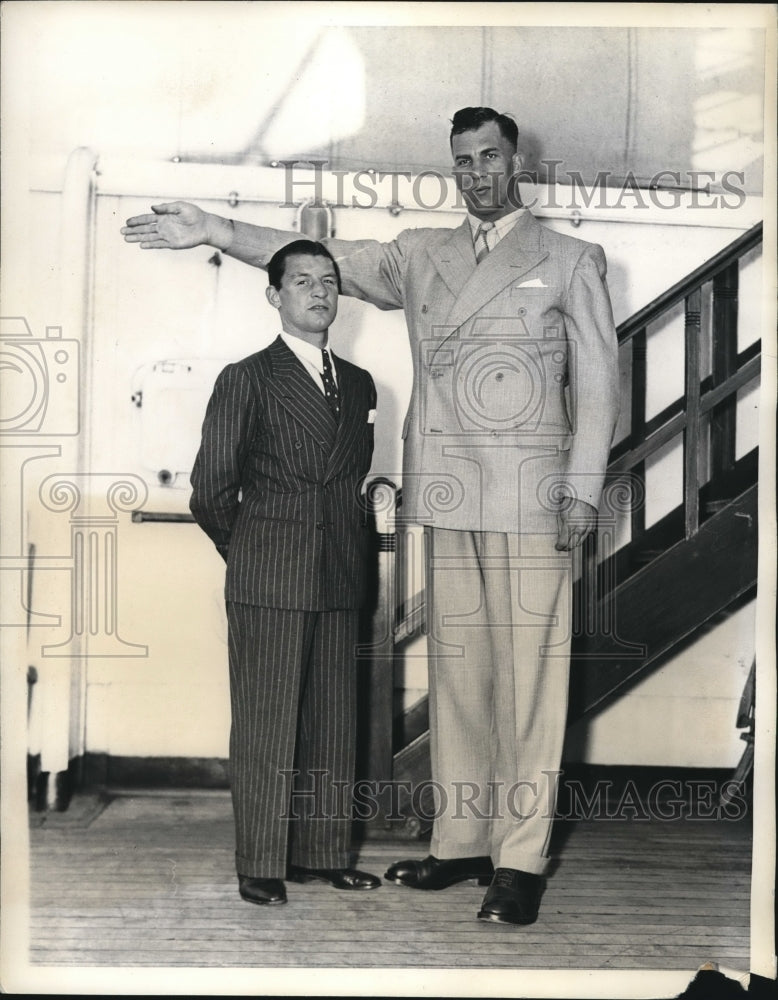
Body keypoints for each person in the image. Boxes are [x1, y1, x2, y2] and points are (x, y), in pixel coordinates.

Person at [123, 106, 620, 924]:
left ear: (517, 159)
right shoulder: (422, 254)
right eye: (461, 161)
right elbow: (324, 265)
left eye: (489, 157)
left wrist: (583, 488)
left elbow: (600, 381)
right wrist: (213, 225)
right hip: (449, 493)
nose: (476, 174)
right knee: (460, 676)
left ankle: (520, 861)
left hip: (533, 498)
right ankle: (460, 841)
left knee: (531, 681)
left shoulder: (570, 259)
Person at [189, 239, 380, 905]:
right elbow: (210, 490)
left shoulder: (357, 384)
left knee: (334, 720)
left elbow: (348, 481)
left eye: (328, 281)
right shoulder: (247, 378)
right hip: (269, 574)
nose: (319, 292)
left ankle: (323, 856)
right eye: (303, 281)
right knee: (268, 722)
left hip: (338, 574)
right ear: (275, 295)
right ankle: (262, 863)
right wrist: (250, 554)